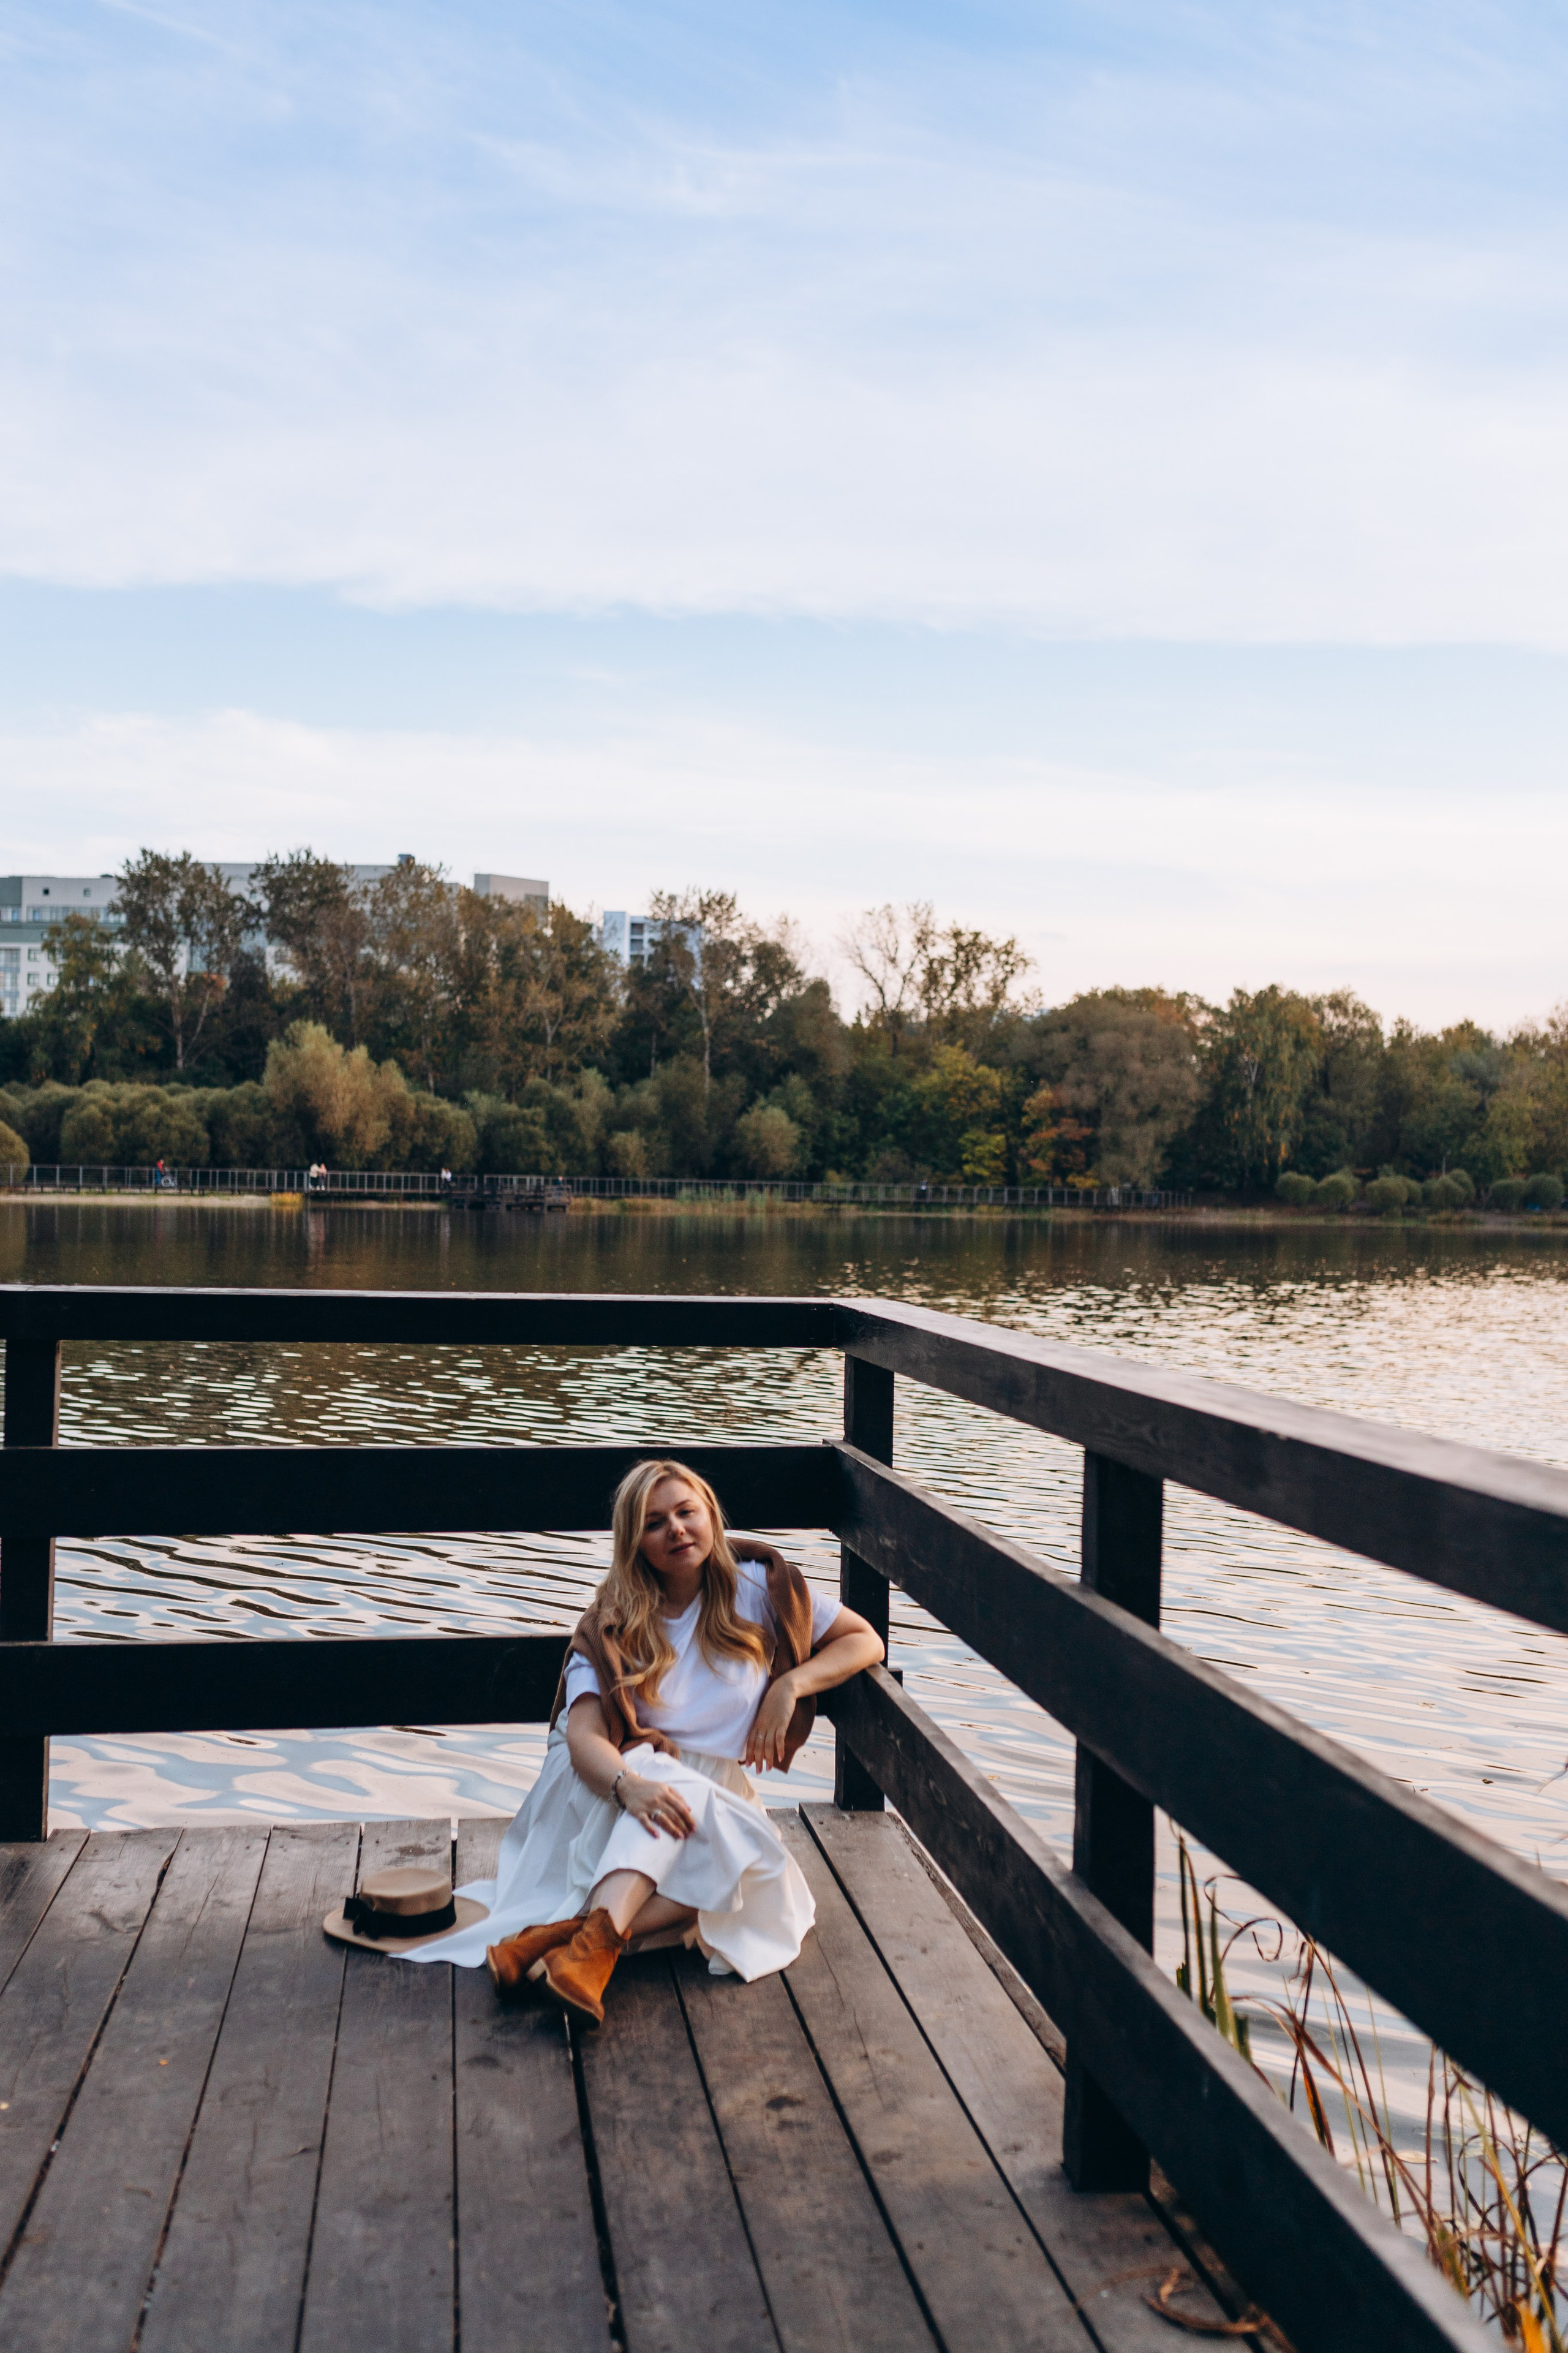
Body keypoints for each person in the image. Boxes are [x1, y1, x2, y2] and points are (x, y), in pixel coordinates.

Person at [399, 1457, 884, 2022]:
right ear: (635, 1540)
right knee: (712, 1838)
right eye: (655, 1522)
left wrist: (792, 1684)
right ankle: (582, 1953)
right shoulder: (614, 1621)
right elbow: (582, 1737)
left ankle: (559, 1944)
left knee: (760, 1877)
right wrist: (630, 1787)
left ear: (711, 1516)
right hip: (605, 1780)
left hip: (701, 1786)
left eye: (687, 1512)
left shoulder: (759, 1589)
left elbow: (864, 1640)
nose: (676, 1529)